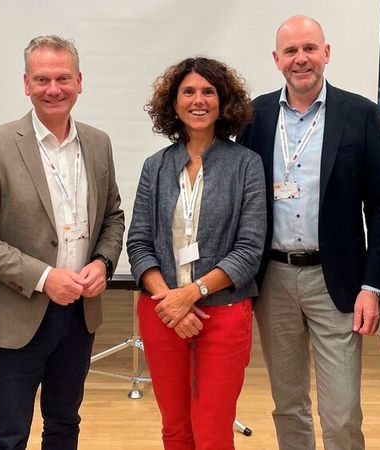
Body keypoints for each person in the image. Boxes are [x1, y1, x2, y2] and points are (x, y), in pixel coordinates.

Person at [236, 15, 380, 450]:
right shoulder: (257, 115)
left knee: (341, 412)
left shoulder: (360, 113)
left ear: (327, 53)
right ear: (276, 59)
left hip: (338, 280)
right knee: (287, 404)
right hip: (274, 280)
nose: (300, 59)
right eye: (290, 51)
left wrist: (373, 286)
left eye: (309, 48)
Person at [0, 35, 124, 450]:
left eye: (63, 78)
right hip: (19, 314)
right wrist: (44, 276)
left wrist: (104, 261)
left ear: (80, 81)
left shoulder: (98, 142)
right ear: (26, 84)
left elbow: (113, 217)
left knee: (65, 424)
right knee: (7, 434)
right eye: (43, 79)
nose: (54, 89)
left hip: (80, 315)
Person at [126, 56, 266, 449]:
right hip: (161, 311)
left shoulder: (246, 165)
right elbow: (138, 242)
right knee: (174, 427)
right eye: (188, 91)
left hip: (222, 312)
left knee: (212, 429)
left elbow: (249, 249)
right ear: (174, 103)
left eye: (208, 91)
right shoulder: (155, 167)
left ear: (223, 102)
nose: (198, 100)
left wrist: (191, 294)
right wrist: (169, 300)